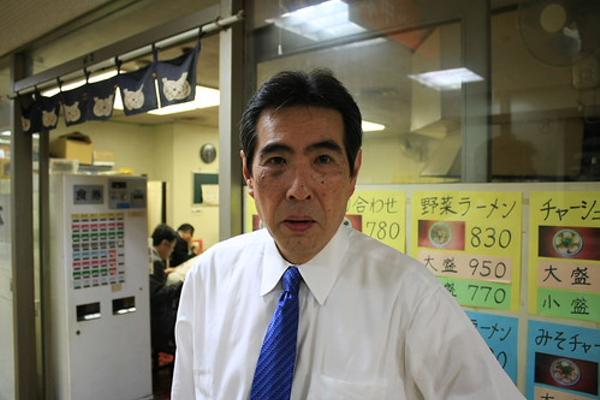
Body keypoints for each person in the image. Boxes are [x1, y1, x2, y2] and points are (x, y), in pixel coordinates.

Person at [171, 70, 525, 399]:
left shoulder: (411, 297)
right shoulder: (208, 278)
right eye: (277, 161)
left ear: (354, 171)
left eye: (323, 160)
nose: (299, 190)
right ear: (248, 173)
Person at [149, 224, 183, 384]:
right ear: (164, 244)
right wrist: (180, 285)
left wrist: (164, 273)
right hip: (156, 322)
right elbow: (155, 295)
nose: (171, 252)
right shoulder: (155, 262)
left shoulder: (149, 256)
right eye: (171, 248)